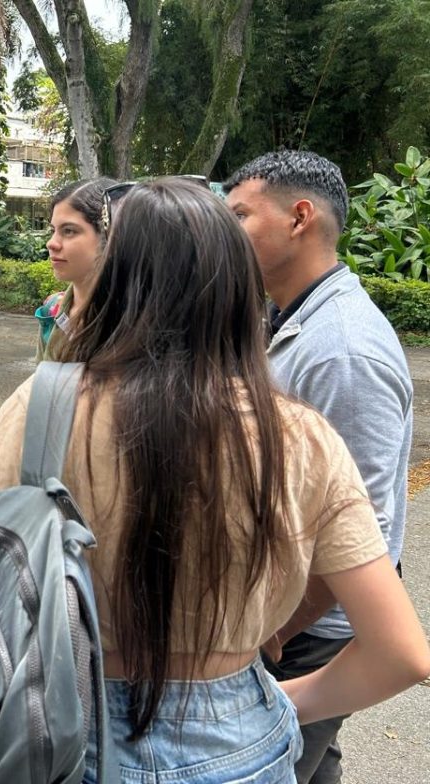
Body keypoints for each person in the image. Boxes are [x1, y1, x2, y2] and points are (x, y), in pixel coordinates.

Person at [0, 178, 430, 783]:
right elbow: (402, 654)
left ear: (115, 278)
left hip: (62, 726)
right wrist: (280, 708)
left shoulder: (43, 405)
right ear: (234, 285)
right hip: (237, 738)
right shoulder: (298, 436)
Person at [224, 150, 416, 784]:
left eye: (242, 215)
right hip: (282, 608)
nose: (227, 233)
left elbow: (365, 525)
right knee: (309, 762)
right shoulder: (288, 318)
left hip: (304, 625)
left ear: (299, 217)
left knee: (270, 761)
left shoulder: (343, 352)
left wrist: (273, 626)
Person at [34, 177, 115, 362]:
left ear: (110, 235)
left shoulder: (139, 321)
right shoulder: (52, 309)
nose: (51, 243)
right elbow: (41, 384)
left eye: (69, 231)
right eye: (52, 230)